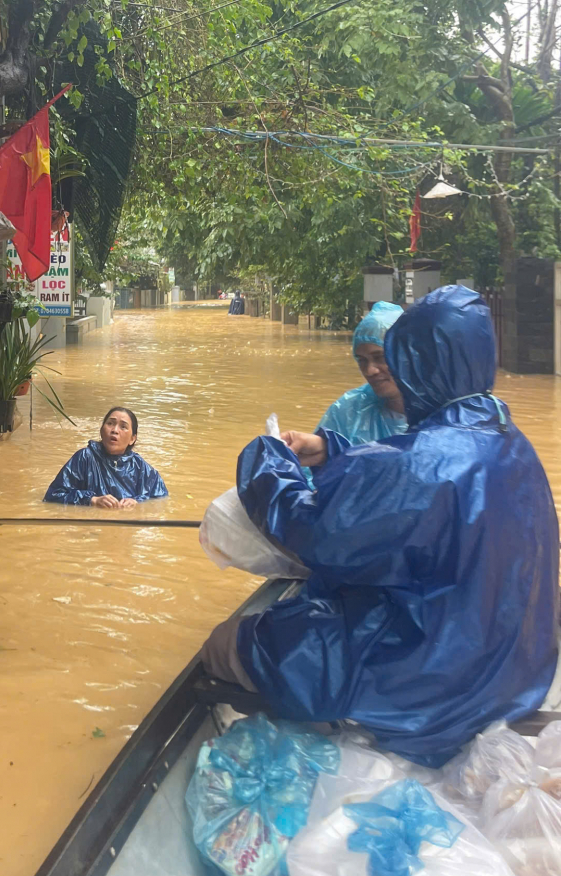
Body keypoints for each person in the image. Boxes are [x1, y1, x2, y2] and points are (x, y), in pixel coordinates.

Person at [201, 285, 560, 766]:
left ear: (413, 367)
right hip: (516, 671)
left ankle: (334, 723)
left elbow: (312, 530)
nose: (377, 371)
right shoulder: (510, 440)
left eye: (390, 360)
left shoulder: (421, 462)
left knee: (227, 644)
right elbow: (406, 486)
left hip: (431, 685)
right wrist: (334, 451)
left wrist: (265, 462)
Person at [317, 300, 408, 444]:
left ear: (406, 356)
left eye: (380, 358)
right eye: (362, 360)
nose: (369, 371)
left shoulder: (442, 413)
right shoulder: (347, 412)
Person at [44, 407, 168, 507]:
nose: (114, 430)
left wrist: (137, 502)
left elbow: (161, 501)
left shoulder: (141, 468)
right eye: (110, 423)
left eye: (123, 426)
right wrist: (92, 500)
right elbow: (53, 496)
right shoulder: (84, 458)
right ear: (101, 431)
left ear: (132, 439)